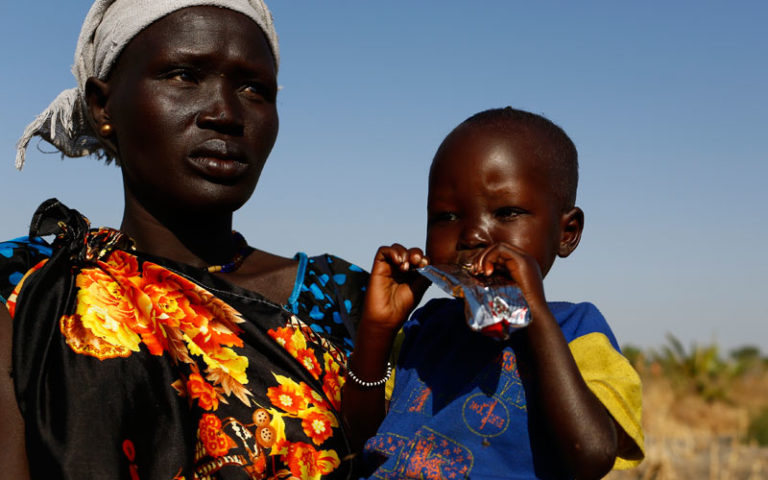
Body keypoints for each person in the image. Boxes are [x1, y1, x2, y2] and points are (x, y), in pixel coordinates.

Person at [0, 1, 369, 478]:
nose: (226, 113)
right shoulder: (26, 289)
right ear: (103, 107)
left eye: (254, 89)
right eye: (183, 76)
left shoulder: (340, 296)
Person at [343, 107, 644, 479]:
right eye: (447, 217)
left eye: (507, 212)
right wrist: (377, 330)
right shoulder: (423, 330)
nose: (472, 236)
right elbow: (361, 439)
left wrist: (533, 315)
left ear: (567, 233)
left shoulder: (577, 330)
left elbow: (591, 456)